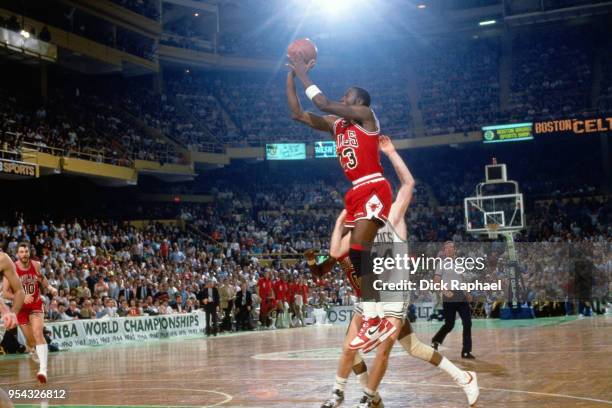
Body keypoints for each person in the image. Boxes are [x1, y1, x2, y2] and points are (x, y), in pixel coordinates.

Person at [311, 138, 478, 408]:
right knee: (410, 347)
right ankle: (462, 377)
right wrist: (340, 222)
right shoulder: (358, 229)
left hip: (394, 294)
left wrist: (390, 152)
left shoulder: (392, 217)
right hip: (370, 297)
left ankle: (368, 398)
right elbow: (334, 252)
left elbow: (408, 184)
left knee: (383, 350)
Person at [287, 53, 394, 350]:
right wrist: (291, 76)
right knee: (354, 256)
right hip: (355, 192)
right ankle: (374, 320)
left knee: (359, 250)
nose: (343, 97)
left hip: (373, 185)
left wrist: (303, 72)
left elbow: (321, 103)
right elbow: (298, 113)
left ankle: (377, 320)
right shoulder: (338, 125)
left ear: (359, 102)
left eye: (348, 95)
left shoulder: (365, 116)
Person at [2, 243, 55, 383]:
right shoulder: (10, 268)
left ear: (29, 252)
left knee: (38, 333)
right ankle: (31, 348)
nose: (24, 254)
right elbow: (6, 293)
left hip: (36, 305)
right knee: (31, 341)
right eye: (21, 252)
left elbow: (41, 278)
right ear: (17, 254)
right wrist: (20, 297)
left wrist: (49, 287)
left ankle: (43, 370)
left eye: (26, 251)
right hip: (20, 308)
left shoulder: (36, 265)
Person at [431, 241, 476, 359]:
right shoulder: (441, 264)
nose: (449, 249)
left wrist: (468, 292)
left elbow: (462, 280)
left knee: (467, 322)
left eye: (451, 247)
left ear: (454, 250)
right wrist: (446, 292)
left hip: (461, 295)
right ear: (444, 250)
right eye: (447, 248)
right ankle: (436, 340)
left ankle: (466, 351)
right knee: (449, 325)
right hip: (449, 296)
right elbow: (436, 282)